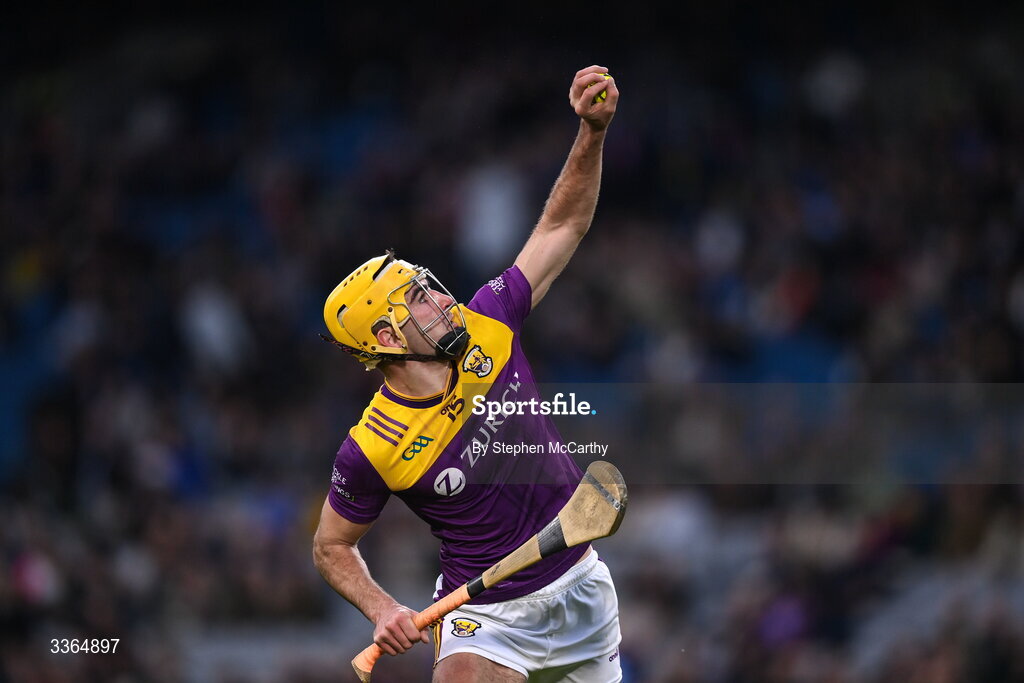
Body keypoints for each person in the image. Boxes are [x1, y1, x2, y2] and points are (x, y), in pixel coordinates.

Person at [313, 65, 621, 683]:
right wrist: (382, 607)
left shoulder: (488, 319)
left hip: (582, 587)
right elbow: (330, 546)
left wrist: (591, 133)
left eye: (430, 285)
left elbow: (562, 225)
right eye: (419, 301)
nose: (442, 300)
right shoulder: (371, 447)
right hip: (487, 615)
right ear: (386, 338)